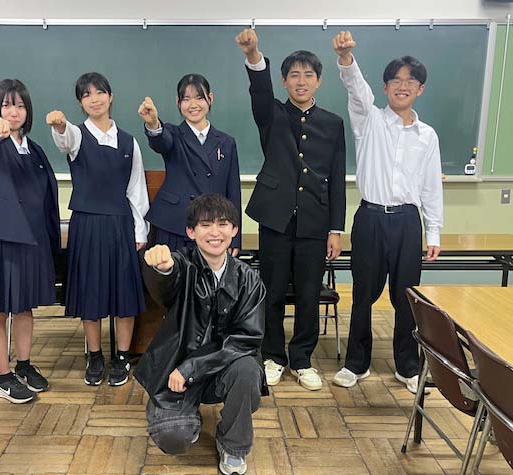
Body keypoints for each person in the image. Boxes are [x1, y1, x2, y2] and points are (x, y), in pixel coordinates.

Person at [331, 31, 443, 394]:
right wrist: (346, 59)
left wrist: (434, 231)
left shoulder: (427, 136)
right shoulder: (370, 120)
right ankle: (356, 363)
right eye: (396, 80)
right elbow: (356, 88)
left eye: (410, 81)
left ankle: (407, 366)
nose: (402, 86)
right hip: (371, 219)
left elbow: (431, 187)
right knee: (363, 294)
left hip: (408, 222)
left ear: (420, 89)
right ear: (385, 87)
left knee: (406, 298)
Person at [235, 28, 346, 390]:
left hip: (315, 220)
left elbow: (337, 177)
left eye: (308, 75)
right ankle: (272, 356)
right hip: (276, 218)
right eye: (294, 75)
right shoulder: (272, 114)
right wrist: (253, 55)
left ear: (318, 81)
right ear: (283, 81)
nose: (301, 81)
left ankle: (302, 359)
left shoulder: (332, 123)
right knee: (272, 291)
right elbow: (259, 91)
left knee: (309, 294)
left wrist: (336, 229)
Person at [135, 193, 266, 475]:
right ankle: (184, 415)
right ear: (191, 232)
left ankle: (233, 444)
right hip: (176, 371)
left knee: (248, 371)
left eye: (223, 224)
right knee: (173, 436)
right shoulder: (182, 265)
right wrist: (161, 267)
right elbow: (166, 283)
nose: (215, 232)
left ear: (234, 230)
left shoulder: (249, 279)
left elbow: (247, 338)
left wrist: (191, 367)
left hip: (216, 369)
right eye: (205, 225)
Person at [47, 72, 150, 387]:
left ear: (110, 96)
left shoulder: (129, 142)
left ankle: (122, 356)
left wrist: (140, 233)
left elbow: (136, 190)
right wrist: (59, 125)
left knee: (124, 295)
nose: (94, 99)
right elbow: (65, 139)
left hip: (121, 224)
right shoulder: (77, 135)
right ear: (81, 102)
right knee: (90, 293)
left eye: (100, 92)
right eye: (86, 94)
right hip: (87, 225)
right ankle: (95, 355)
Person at [0, 79, 60, 404]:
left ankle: (24, 365)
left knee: (24, 308)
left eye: (20, 105)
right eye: (7, 105)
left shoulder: (34, 150)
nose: (14, 112)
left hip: (31, 241)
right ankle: (3, 377)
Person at [138, 74, 241, 254]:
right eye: (186, 99)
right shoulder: (172, 133)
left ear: (210, 98)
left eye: (199, 98)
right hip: (173, 224)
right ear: (178, 102)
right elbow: (161, 141)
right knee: (170, 270)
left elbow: (233, 191)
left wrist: (235, 237)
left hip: (211, 227)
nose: (193, 105)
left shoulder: (226, 142)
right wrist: (153, 123)